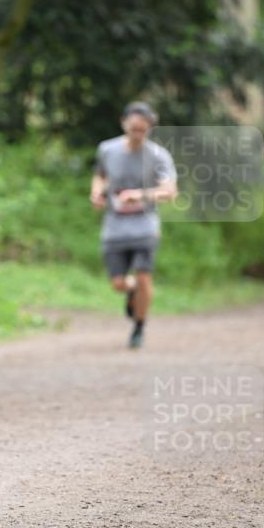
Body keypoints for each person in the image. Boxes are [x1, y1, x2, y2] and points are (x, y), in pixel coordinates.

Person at [90, 101, 177, 348]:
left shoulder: (158, 156)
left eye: (143, 129)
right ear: (123, 123)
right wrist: (96, 193)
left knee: (143, 276)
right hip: (115, 225)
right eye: (134, 128)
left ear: (150, 127)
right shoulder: (107, 149)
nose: (138, 133)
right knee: (118, 282)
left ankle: (139, 326)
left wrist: (140, 195)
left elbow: (170, 191)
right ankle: (132, 291)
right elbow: (100, 176)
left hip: (145, 226)